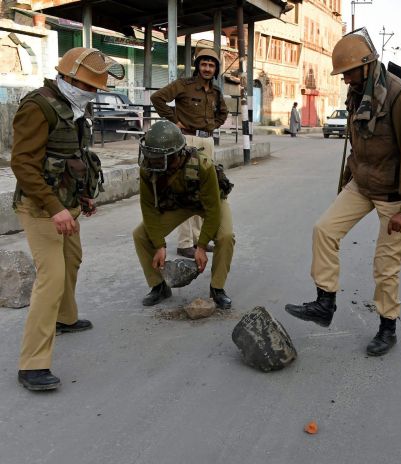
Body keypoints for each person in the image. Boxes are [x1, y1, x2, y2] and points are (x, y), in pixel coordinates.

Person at [285, 28, 401, 357]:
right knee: (324, 229)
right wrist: (345, 183)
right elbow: (356, 144)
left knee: (385, 267)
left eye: (348, 72)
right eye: (343, 74)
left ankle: (387, 326)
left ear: (366, 64)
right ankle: (325, 302)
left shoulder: (398, 96)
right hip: (361, 184)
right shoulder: (359, 91)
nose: (345, 79)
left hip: (393, 195)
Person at [11, 47, 123, 391]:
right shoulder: (37, 107)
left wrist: (83, 195)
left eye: (95, 89)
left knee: (72, 260)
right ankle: (32, 365)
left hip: (67, 203)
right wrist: (54, 208)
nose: (91, 92)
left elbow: (74, 158)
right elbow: (23, 164)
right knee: (52, 277)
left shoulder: (73, 109)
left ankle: (65, 318)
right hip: (40, 208)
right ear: (68, 78)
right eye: (88, 86)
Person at [132, 121, 235, 309]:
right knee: (140, 234)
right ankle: (159, 286)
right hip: (179, 205)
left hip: (207, 203)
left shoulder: (202, 165)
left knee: (226, 236)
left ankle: (217, 288)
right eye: (150, 155)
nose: (152, 161)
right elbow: (148, 207)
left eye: (158, 157)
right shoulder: (148, 168)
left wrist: (202, 246)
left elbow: (213, 210)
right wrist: (159, 245)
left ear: (175, 155)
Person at [151, 48, 228, 259]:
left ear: (216, 69)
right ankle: (184, 242)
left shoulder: (216, 92)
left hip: (207, 141)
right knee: (186, 190)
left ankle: (197, 239)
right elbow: (157, 98)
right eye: (204, 64)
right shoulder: (183, 85)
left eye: (211, 65)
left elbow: (223, 112)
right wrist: (174, 121)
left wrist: (213, 124)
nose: (207, 68)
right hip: (187, 140)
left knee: (204, 190)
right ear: (198, 66)